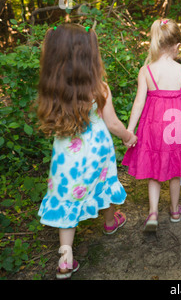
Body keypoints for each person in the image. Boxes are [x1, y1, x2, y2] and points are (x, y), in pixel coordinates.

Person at [36, 24, 137, 279]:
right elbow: (113, 123)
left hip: (66, 159)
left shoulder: (52, 88)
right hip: (97, 153)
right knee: (103, 184)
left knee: (67, 198)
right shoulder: (99, 88)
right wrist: (128, 136)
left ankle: (65, 259)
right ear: (88, 55)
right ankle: (110, 222)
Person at [122, 19, 181, 231]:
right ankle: (175, 210)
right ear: (177, 46)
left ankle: (153, 214)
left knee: (154, 171)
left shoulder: (146, 71)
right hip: (176, 123)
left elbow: (139, 102)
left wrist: (129, 130)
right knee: (175, 169)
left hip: (153, 124)